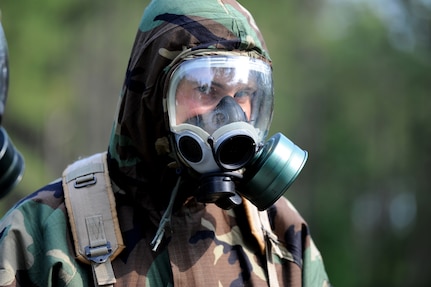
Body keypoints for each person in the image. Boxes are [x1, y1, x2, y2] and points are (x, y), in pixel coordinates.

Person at [0, 0, 331, 286]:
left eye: (243, 94)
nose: (231, 115)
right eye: (206, 90)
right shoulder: (42, 233)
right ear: (152, 96)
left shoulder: (278, 232)